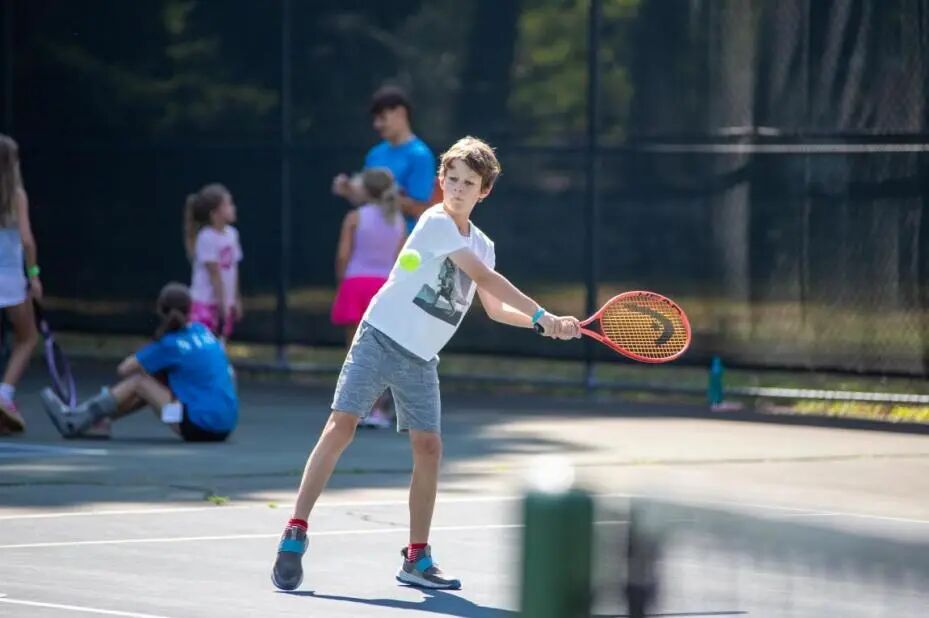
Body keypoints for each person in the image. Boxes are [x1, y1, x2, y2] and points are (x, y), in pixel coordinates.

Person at [271, 136, 581, 591]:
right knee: (341, 427)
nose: (456, 189)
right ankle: (295, 531)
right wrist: (542, 313)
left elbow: (494, 307)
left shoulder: (484, 244)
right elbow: (481, 276)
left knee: (429, 448)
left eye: (467, 183)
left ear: (484, 191)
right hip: (379, 336)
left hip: (420, 358)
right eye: (450, 179)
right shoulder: (436, 222)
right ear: (441, 182)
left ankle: (416, 559)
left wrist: (543, 326)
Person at [40, 282, 238, 442]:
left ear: (161, 310)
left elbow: (124, 369)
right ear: (190, 310)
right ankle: (99, 423)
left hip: (197, 427)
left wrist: (150, 352)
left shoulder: (168, 344)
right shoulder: (204, 332)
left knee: (140, 382)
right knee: (153, 384)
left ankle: (76, 419)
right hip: (225, 427)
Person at [330, 168, 406, 429]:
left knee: (356, 351)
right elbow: (400, 261)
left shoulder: (354, 217)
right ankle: (379, 410)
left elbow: (342, 255)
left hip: (356, 285)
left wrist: (343, 283)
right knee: (383, 351)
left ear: (365, 190)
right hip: (385, 288)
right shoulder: (398, 221)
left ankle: (358, 409)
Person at [332, 86, 437, 233]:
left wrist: (380, 195)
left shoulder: (420, 156)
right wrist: (349, 190)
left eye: (382, 118)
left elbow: (421, 209)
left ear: (401, 113)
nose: (377, 125)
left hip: (405, 245)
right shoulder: (374, 154)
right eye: (375, 119)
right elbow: (364, 199)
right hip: (369, 238)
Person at [0, 134, 40, 435]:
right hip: (12, 279)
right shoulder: (17, 195)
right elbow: (26, 240)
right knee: (27, 338)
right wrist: (34, 274)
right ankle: (4, 395)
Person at [184, 183, 243, 342]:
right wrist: (222, 305)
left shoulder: (232, 234)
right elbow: (215, 275)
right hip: (205, 304)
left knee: (219, 345)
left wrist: (235, 299)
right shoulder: (207, 237)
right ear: (215, 213)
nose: (233, 207)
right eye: (228, 204)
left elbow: (233, 269)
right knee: (203, 346)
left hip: (224, 304)